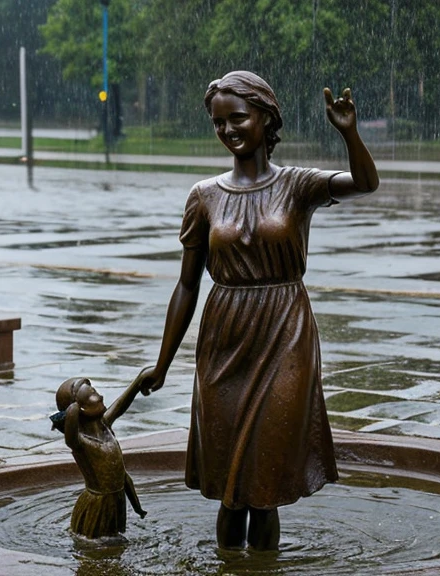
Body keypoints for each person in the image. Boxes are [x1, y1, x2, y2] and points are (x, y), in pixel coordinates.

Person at [136, 70, 379, 551]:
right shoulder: (203, 196)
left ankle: (263, 566)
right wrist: (162, 364)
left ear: (265, 118)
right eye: (218, 122)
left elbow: (366, 183)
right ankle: (229, 565)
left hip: (285, 331)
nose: (228, 130)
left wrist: (349, 133)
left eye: (238, 118)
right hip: (224, 339)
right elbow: (186, 285)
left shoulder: (298, 185)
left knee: (265, 484)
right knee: (230, 491)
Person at [51, 373, 147, 539]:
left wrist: (140, 380)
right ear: (80, 408)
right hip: (98, 505)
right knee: (96, 547)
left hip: (116, 500)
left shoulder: (105, 426)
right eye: (92, 395)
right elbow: (70, 437)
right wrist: (72, 410)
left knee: (114, 541)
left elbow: (121, 404)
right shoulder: (81, 442)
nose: (100, 396)